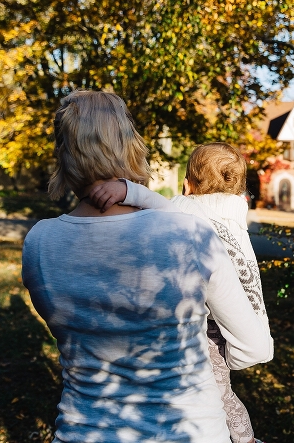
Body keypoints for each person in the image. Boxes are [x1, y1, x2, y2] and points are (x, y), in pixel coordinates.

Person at [21, 91, 272, 443]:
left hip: (83, 432)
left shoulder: (39, 242)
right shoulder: (190, 235)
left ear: (63, 153)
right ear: (129, 144)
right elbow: (256, 347)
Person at [87, 143, 269, 443]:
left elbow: (159, 205)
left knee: (220, 393)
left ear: (188, 186)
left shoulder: (188, 211)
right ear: (239, 189)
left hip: (207, 328)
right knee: (224, 391)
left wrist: (128, 191)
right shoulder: (237, 219)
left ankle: (244, 439)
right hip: (234, 323)